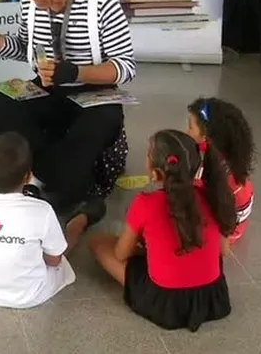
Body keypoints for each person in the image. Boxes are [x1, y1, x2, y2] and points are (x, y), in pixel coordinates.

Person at [0, 0, 136, 216]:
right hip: (49, 87)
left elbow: (125, 67)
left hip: (95, 90)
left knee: (95, 127)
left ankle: (38, 180)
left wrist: (76, 71)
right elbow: (24, 46)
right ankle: (50, 177)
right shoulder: (29, 2)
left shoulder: (102, 2)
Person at [87, 129, 237, 331]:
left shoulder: (145, 203)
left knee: (97, 242)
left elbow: (120, 254)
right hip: (211, 296)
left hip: (165, 301)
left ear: (155, 172)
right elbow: (224, 251)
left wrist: (143, 247)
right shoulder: (213, 196)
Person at [0, 132, 104, 309]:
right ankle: (80, 221)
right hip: (31, 294)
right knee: (60, 245)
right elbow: (54, 260)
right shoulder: (42, 211)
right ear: (28, 178)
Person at [186, 97, 255, 245]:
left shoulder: (216, 176)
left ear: (206, 137)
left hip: (222, 235)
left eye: (190, 128)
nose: (187, 132)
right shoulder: (229, 157)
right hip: (232, 222)